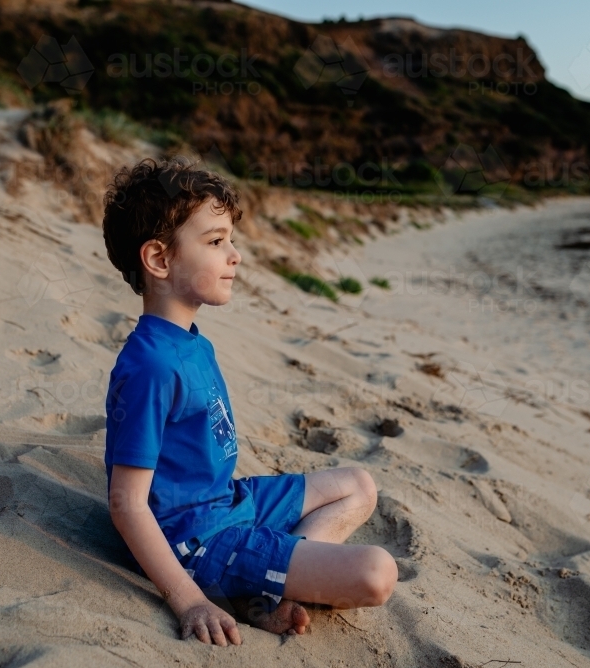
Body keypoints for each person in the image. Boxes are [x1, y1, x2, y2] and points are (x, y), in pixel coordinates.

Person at [102, 157, 398, 647]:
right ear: (159, 259)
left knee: (358, 486)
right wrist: (188, 598)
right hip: (197, 541)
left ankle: (268, 581)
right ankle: (257, 585)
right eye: (216, 242)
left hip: (230, 502)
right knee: (377, 573)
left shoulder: (192, 341)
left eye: (230, 240)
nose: (234, 254)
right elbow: (126, 503)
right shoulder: (150, 365)